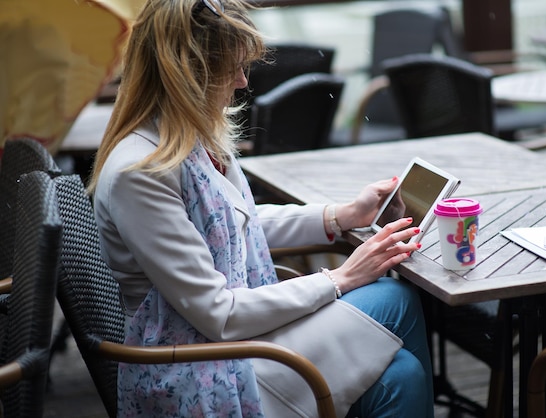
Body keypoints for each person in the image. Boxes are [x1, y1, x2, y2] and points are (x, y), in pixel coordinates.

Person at [88, 0, 434, 416]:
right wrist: (341, 277)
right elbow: (219, 314)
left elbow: (233, 228)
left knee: (402, 374)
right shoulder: (140, 173)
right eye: (230, 69)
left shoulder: (188, 140)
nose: (240, 82)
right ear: (187, 76)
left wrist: (342, 216)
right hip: (201, 368)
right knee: (395, 298)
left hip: (234, 343)